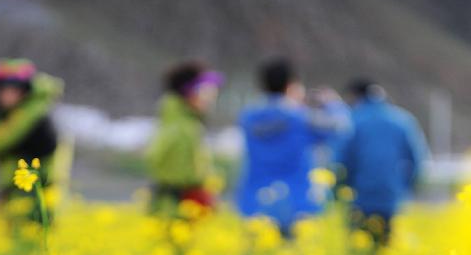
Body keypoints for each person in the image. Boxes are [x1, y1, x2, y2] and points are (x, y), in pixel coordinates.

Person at [236, 58, 349, 236]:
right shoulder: (302, 119)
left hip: (256, 201)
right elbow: (341, 127)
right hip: (297, 202)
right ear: (291, 86)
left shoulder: (248, 118)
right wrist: (332, 103)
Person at [0, 59, 64, 227]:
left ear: (25, 93)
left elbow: (1, 141)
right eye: (3, 90)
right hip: (11, 187)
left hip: (37, 189)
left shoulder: (37, 118)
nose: (8, 96)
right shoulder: (7, 113)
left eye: (14, 90)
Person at [334, 80, 428, 247]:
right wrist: (403, 188)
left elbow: (340, 162)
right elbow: (418, 161)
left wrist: (340, 192)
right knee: (385, 252)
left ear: (356, 97)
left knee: (359, 254)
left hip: (358, 199)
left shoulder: (353, 121)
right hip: (390, 199)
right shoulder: (403, 120)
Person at [147, 61, 224, 216]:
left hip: (180, 207)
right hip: (175, 208)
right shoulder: (181, 127)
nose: (210, 98)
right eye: (204, 91)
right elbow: (169, 169)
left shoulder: (183, 122)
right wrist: (197, 189)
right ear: (188, 93)